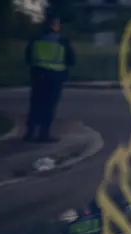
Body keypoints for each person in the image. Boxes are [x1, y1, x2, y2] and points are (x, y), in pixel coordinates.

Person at [24, 12, 76, 143]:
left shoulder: (35, 38)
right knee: (49, 105)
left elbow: (28, 57)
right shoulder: (62, 40)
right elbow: (71, 60)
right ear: (55, 25)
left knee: (35, 104)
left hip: (38, 75)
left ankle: (30, 133)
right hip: (55, 76)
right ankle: (44, 133)